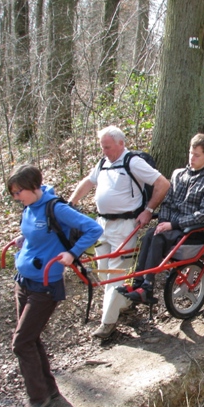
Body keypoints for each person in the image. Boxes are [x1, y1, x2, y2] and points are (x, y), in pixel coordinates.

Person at [8, 164, 103, 407]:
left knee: (21, 342)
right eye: (14, 193)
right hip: (24, 281)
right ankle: (49, 391)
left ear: (34, 187)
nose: (16, 197)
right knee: (30, 338)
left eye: (19, 192)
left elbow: (94, 229)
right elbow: (35, 234)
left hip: (45, 285)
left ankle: (37, 400)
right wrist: (23, 240)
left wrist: (72, 254)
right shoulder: (29, 208)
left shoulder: (56, 208)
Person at [68, 126, 170, 339]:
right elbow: (88, 181)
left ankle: (108, 323)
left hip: (125, 225)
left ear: (120, 143)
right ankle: (123, 303)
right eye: (102, 147)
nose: (104, 151)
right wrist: (70, 203)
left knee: (116, 274)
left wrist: (148, 210)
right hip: (101, 225)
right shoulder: (103, 163)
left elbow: (162, 183)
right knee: (103, 273)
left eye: (107, 147)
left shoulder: (133, 162)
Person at [117, 134, 204, 303]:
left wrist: (173, 225)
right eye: (190, 153)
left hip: (194, 229)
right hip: (173, 226)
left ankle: (147, 286)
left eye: (197, 155)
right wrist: (163, 223)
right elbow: (167, 203)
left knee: (158, 237)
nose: (192, 158)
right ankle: (138, 282)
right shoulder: (178, 174)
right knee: (150, 235)